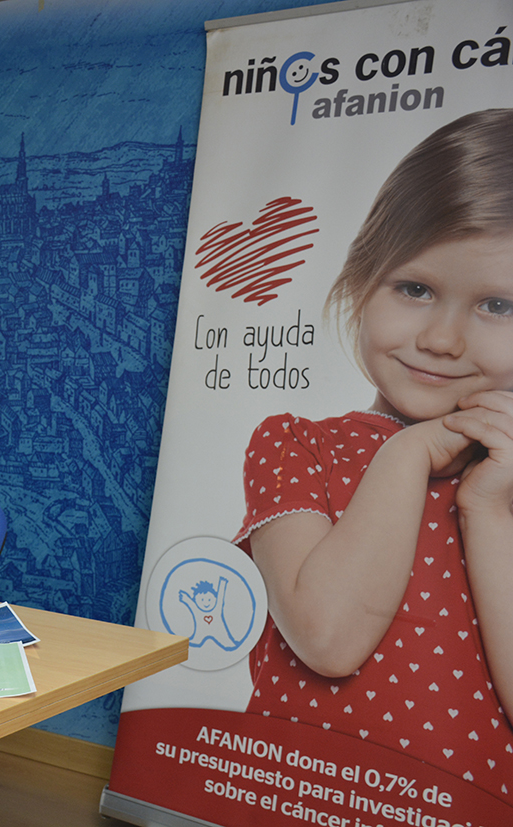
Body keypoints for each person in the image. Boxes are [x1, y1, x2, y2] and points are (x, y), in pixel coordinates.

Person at [234, 109, 513, 802]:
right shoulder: (294, 443)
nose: (443, 340)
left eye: (498, 305)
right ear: (361, 283)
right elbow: (326, 637)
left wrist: (487, 508)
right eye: (414, 289)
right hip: (295, 798)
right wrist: (406, 455)